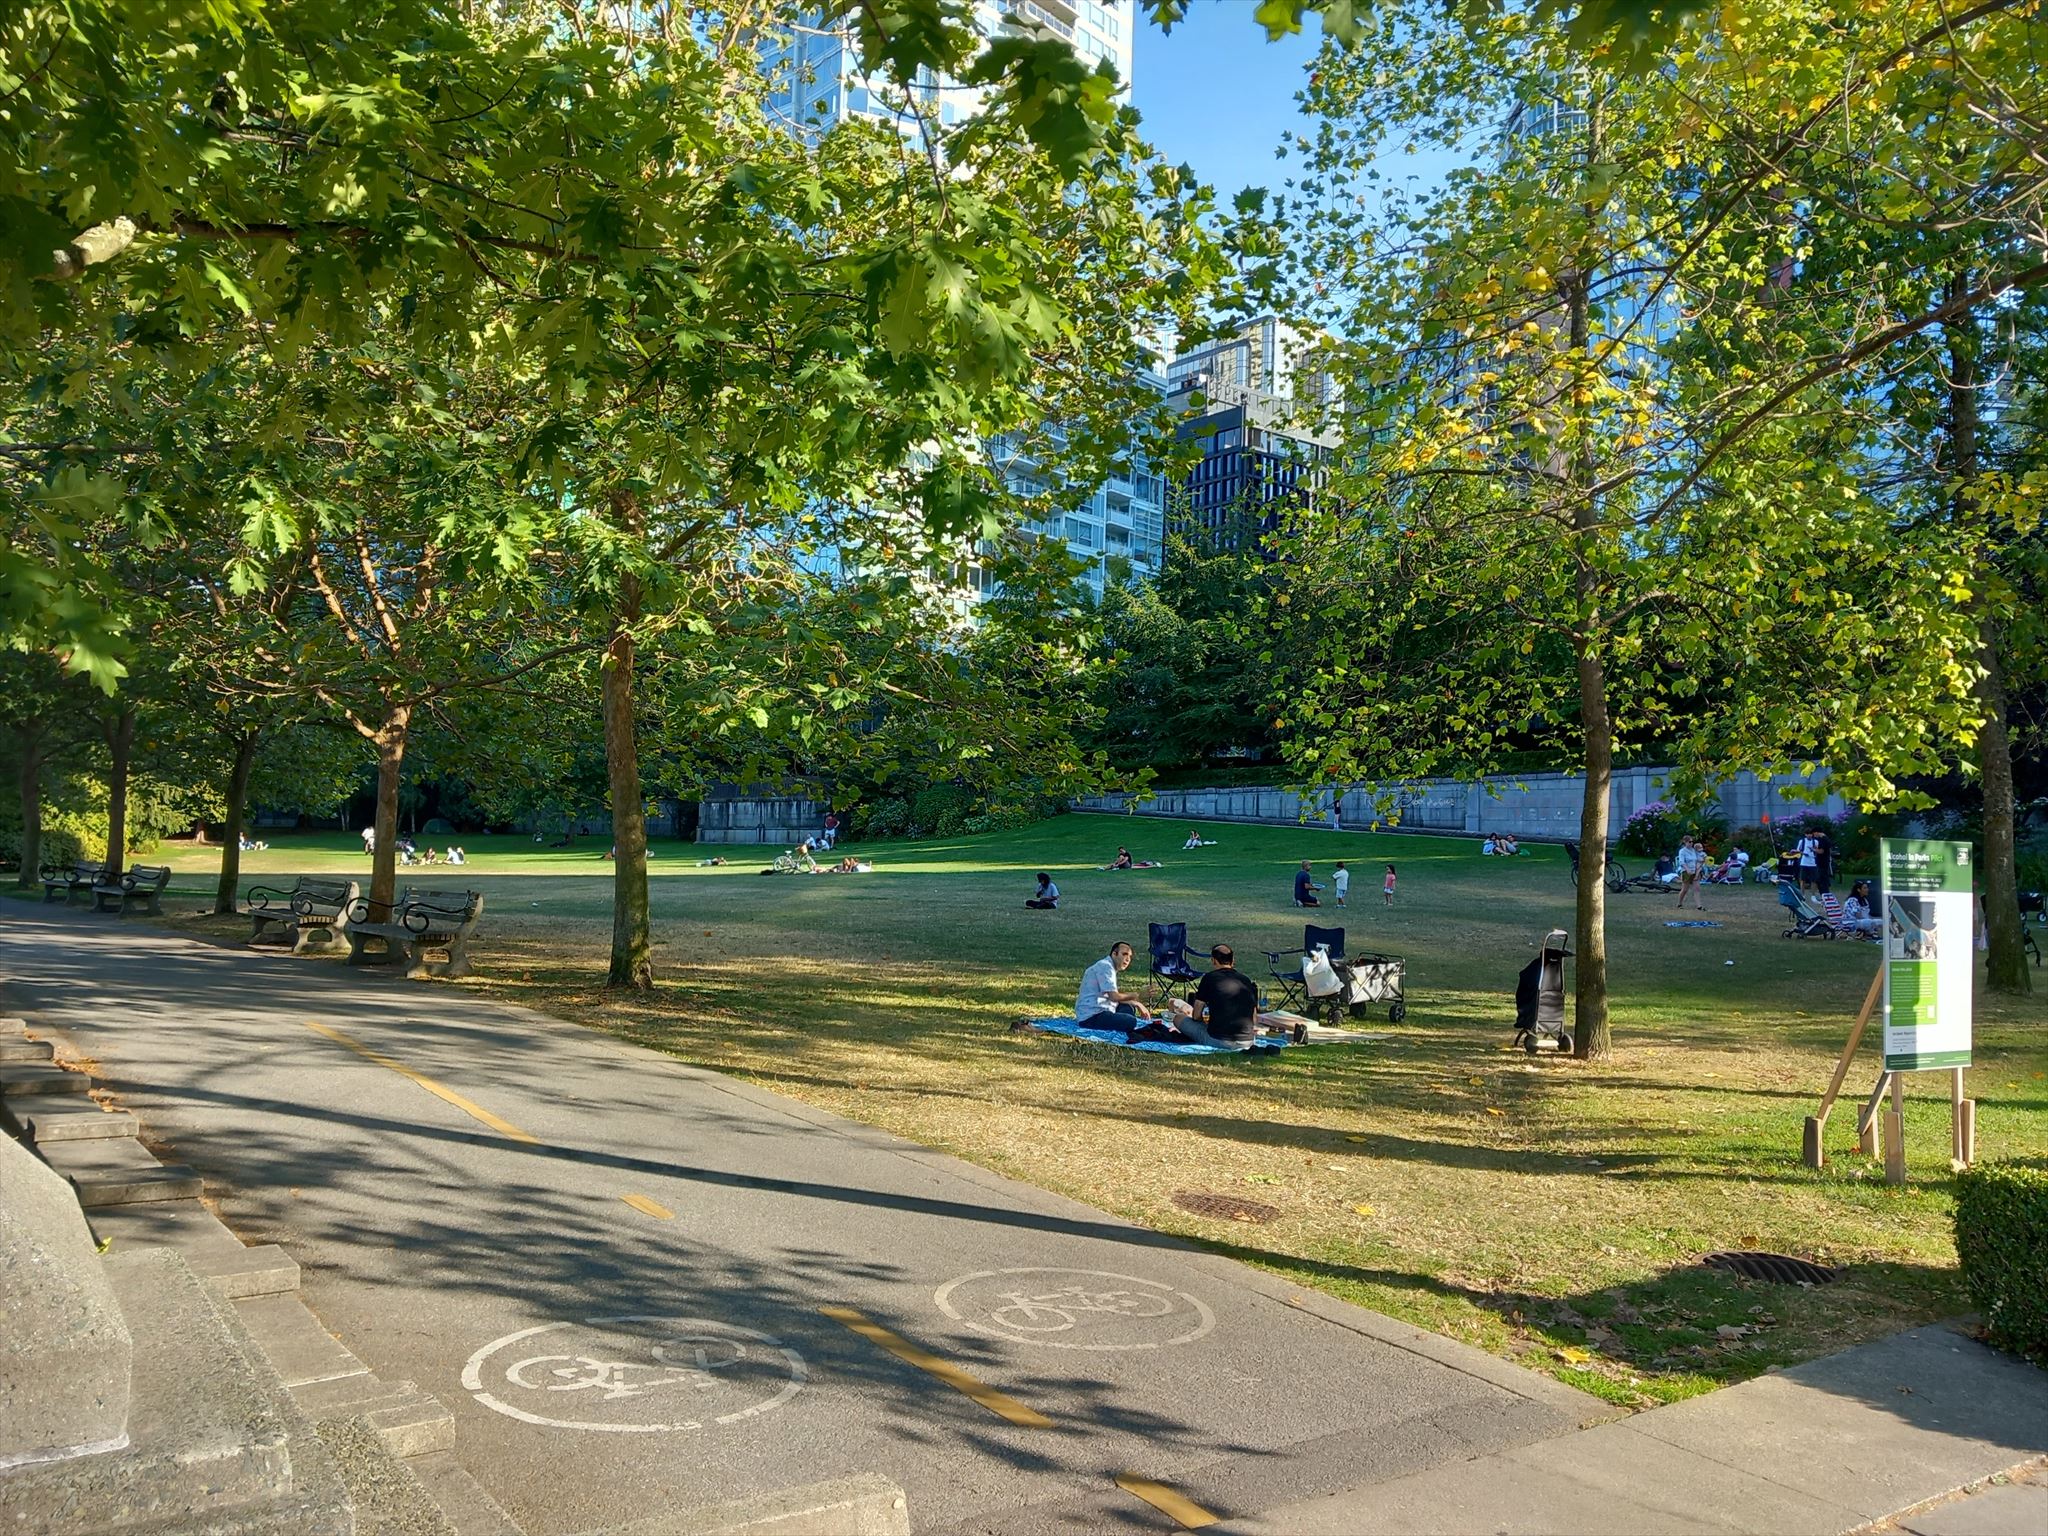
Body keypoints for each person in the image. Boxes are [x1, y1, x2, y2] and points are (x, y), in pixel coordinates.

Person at [1178, 944, 1259, 1050]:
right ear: (1233, 960)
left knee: (1178, 1018)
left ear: (1213, 960)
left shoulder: (1209, 978)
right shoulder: (1246, 980)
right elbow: (1254, 1018)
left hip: (1219, 1040)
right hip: (1247, 1041)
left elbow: (1196, 1016)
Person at [1075, 941, 1154, 1030]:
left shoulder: (1108, 966)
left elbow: (1112, 996)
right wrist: (1138, 995)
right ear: (1114, 954)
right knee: (1131, 1021)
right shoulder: (1105, 967)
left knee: (1128, 1007)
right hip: (1091, 1016)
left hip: (1104, 1009)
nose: (1128, 959)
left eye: (1130, 956)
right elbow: (1114, 997)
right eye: (1124, 954)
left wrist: (1137, 1003)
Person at [1674, 834, 1706, 910]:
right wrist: (1687, 869)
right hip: (1686, 871)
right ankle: (1679, 903)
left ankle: (1699, 906)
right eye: (1689, 842)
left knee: (1697, 889)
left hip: (1695, 871)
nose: (1691, 843)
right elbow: (1681, 862)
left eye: (1692, 842)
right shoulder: (1682, 851)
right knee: (1685, 889)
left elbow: (1699, 858)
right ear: (1685, 842)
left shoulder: (1694, 850)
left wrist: (1702, 862)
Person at [1813, 828, 1835, 895]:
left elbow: (1821, 851)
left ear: (1816, 832)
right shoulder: (1827, 839)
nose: (1814, 835)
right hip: (1825, 861)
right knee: (1823, 878)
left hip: (1822, 862)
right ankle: (1825, 892)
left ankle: (1824, 892)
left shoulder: (1823, 839)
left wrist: (1814, 849)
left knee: (1821, 879)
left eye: (1814, 834)